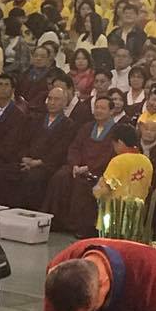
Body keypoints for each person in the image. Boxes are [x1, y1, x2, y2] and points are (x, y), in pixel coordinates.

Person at [0, 86, 74, 209]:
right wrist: (24, 157)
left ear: (65, 103)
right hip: (25, 160)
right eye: (50, 98)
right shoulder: (35, 119)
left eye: (57, 99)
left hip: (45, 165)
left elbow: (60, 150)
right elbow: (22, 141)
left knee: (32, 179)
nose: (52, 102)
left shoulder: (68, 125)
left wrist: (38, 162)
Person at [44, 95, 116, 237]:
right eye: (96, 107)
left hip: (98, 170)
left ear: (111, 111)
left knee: (83, 184)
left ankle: (80, 227)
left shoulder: (115, 131)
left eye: (102, 108)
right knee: (60, 177)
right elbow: (75, 147)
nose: (98, 111)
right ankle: (56, 221)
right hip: (78, 167)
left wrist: (88, 168)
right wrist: (75, 164)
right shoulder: (87, 127)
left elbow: (109, 155)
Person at [93, 124, 154, 217]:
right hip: (136, 216)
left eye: (114, 144)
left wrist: (96, 189)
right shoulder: (147, 162)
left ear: (120, 142)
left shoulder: (118, 161)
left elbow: (106, 189)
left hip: (115, 216)